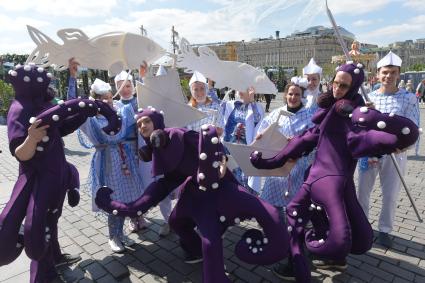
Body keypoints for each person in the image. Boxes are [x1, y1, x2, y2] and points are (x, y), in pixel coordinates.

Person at [250, 61, 419, 282]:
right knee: (309, 212)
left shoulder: (355, 116)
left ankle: (304, 262)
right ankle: (317, 257)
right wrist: (270, 160)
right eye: (335, 83)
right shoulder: (331, 110)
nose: (337, 89)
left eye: (343, 86)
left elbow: (366, 140)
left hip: (332, 179)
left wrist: (388, 139)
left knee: (309, 215)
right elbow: (307, 138)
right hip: (321, 175)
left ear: (354, 87)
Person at [1, 64, 119, 282]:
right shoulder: (19, 109)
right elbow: (20, 153)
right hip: (38, 180)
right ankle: (43, 276)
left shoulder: (44, 103)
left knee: (52, 219)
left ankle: (55, 256)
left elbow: (61, 127)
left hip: (55, 174)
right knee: (39, 226)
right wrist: (31, 139)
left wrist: (83, 113)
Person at [357, 51, 420, 248]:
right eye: (385, 72)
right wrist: (365, 111)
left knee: (391, 193)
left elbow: (413, 125)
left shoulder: (408, 98)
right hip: (369, 152)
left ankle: (385, 229)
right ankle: (362, 226)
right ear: (377, 74)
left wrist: (404, 146)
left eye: (393, 72)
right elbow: (359, 124)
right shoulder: (368, 97)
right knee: (363, 192)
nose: (388, 76)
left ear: (398, 74)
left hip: (395, 153)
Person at [78, 78, 146, 253]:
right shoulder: (90, 119)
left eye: (109, 97)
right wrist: (72, 78)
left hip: (124, 159)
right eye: (103, 98)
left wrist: (143, 78)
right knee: (112, 199)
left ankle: (121, 235)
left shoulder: (119, 112)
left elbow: (138, 105)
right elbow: (75, 108)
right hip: (107, 161)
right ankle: (113, 237)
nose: (108, 100)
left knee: (125, 198)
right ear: (95, 100)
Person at [256, 77, 315, 215]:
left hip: (299, 166)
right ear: (285, 95)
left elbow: (314, 142)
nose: (293, 97)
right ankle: (275, 228)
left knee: (296, 206)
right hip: (276, 166)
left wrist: (299, 145)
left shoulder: (309, 116)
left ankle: (293, 230)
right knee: (272, 206)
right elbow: (262, 130)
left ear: (302, 96)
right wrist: (260, 136)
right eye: (290, 94)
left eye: (297, 94)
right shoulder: (276, 113)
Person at [221, 86, 265, 193]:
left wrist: (251, 101)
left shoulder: (256, 107)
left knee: (245, 186)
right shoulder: (230, 104)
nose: (239, 91)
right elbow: (222, 122)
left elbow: (257, 121)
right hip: (230, 150)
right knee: (230, 183)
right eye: (238, 87)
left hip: (246, 152)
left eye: (243, 88)